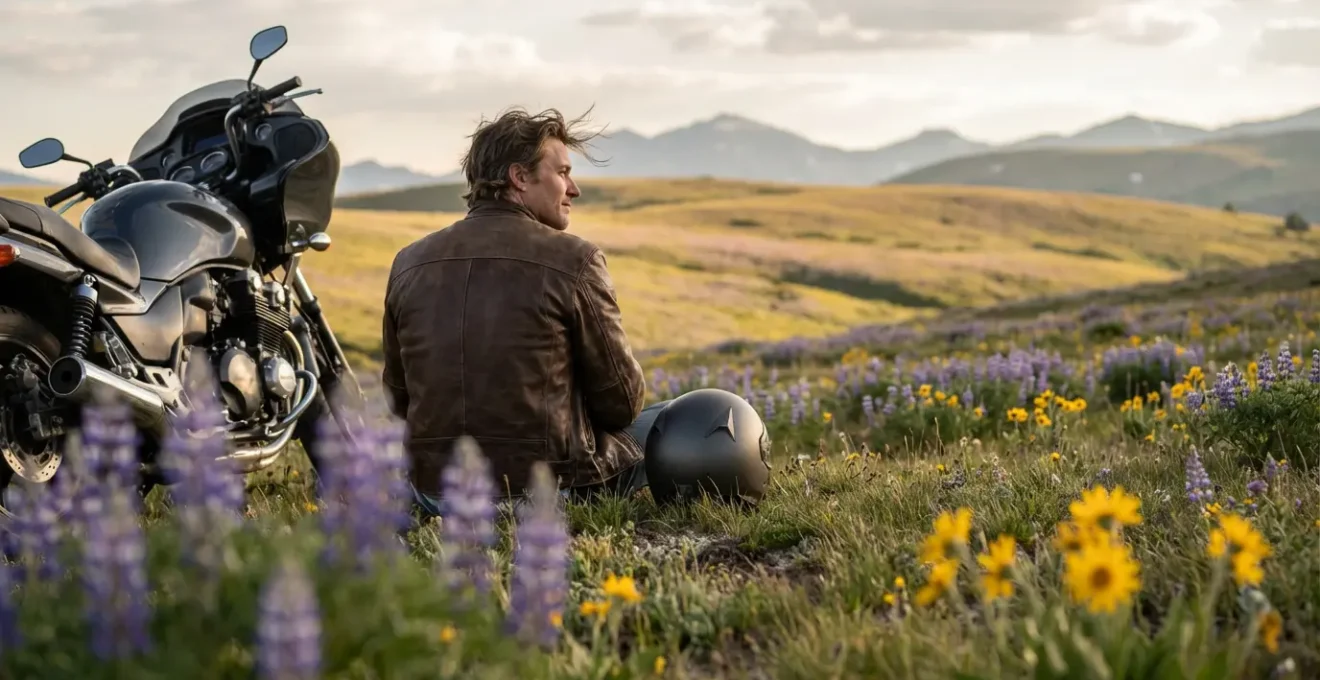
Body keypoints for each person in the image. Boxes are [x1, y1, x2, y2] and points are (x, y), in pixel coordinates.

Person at [379, 107, 668, 514]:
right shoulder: (576, 259)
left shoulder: (409, 262)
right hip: (546, 491)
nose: (573, 189)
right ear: (519, 177)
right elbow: (621, 404)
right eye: (562, 172)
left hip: (435, 494)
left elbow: (398, 401)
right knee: (680, 417)